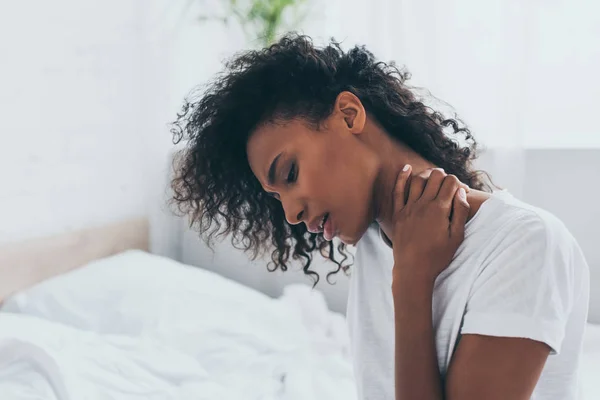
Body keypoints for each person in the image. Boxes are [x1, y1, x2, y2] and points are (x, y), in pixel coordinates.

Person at [170, 34, 590, 399]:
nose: (293, 213)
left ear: (349, 114)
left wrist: (411, 281)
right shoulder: (375, 246)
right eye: (277, 197)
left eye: (290, 173)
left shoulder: (523, 242)